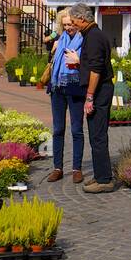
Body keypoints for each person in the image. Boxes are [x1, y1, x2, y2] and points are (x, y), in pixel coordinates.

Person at [64, 3, 116, 192]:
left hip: (100, 90)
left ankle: (104, 180)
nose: (73, 24)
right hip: (100, 89)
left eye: (74, 21)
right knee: (95, 134)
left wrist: (89, 97)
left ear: (82, 19)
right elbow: (92, 65)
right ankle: (100, 175)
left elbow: (96, 70)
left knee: (98, 135)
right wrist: (79, 63)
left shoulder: (94, 37)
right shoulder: (92, 34)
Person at [37, 11, 85, 183]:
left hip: (75, 87)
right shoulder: (60, 40)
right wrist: (54, 50)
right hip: (57, 88)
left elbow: (88, 65)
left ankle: (77, 168)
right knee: (57, 130)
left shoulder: (83, 40)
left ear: (76, 23)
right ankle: (57, 168)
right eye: (64, 25)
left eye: (70, 24)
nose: (68, 28)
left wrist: (78, 60)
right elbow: (53, 64)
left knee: (76, 129)